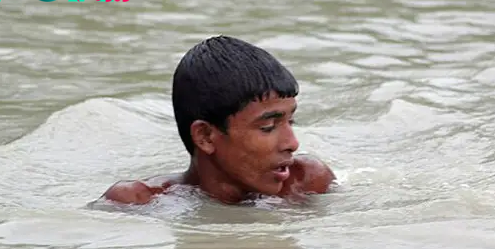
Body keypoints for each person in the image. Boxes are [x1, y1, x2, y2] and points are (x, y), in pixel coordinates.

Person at [100, 35, 336, 205]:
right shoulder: (140, 203)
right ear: (205, 136)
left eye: (290, 122)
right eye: (267, 127)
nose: (292, 143)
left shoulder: (306, 182)